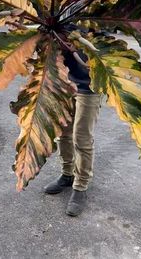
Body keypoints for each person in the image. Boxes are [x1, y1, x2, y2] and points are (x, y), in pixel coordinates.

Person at [44, 49, 101, 216]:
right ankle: (67, 174)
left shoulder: (94, 23)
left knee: (82, 138)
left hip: (89, 87)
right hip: (64, 84)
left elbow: (104, 48)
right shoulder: (61, 22)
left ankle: (80, 185)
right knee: (62, 134)